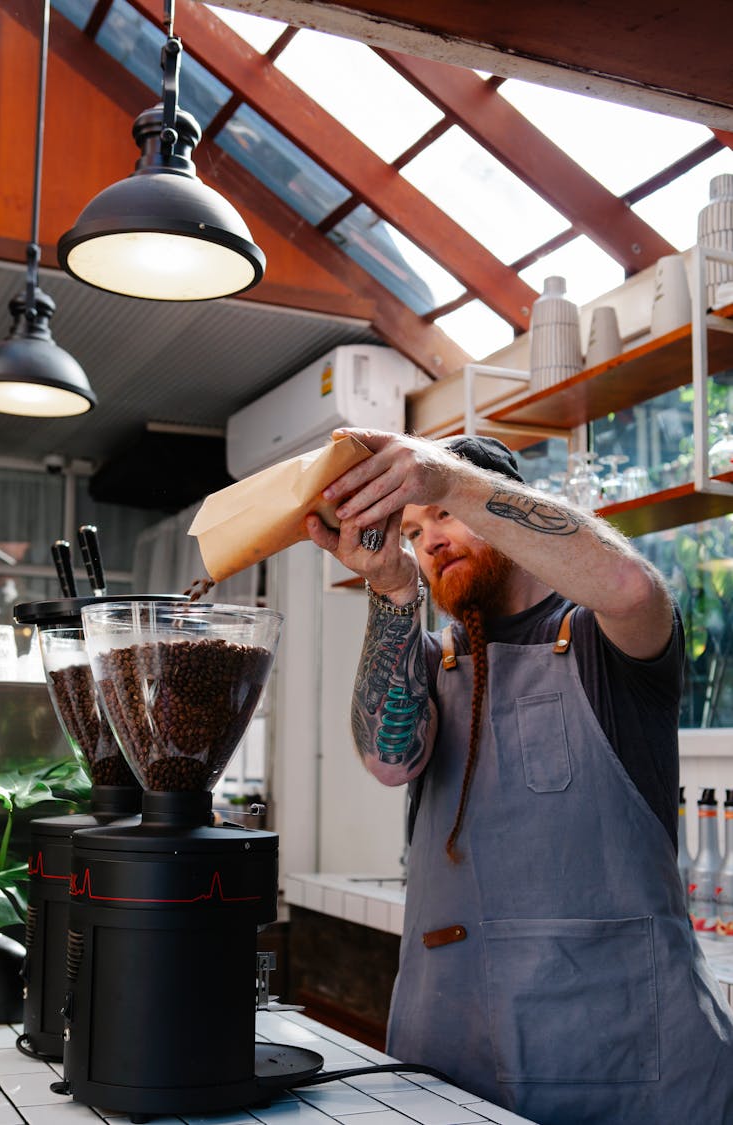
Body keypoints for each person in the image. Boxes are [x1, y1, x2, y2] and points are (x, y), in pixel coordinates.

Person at [305, 428, 733, 1125]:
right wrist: (389, 587)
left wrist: (441, 479)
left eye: (442, 514)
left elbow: (629, 586)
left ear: (510, 505)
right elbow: (387, 761)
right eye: (413, 529)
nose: (431, 538)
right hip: (461, 1061)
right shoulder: (434, 659)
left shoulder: (607, 640)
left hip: (626, 1067)